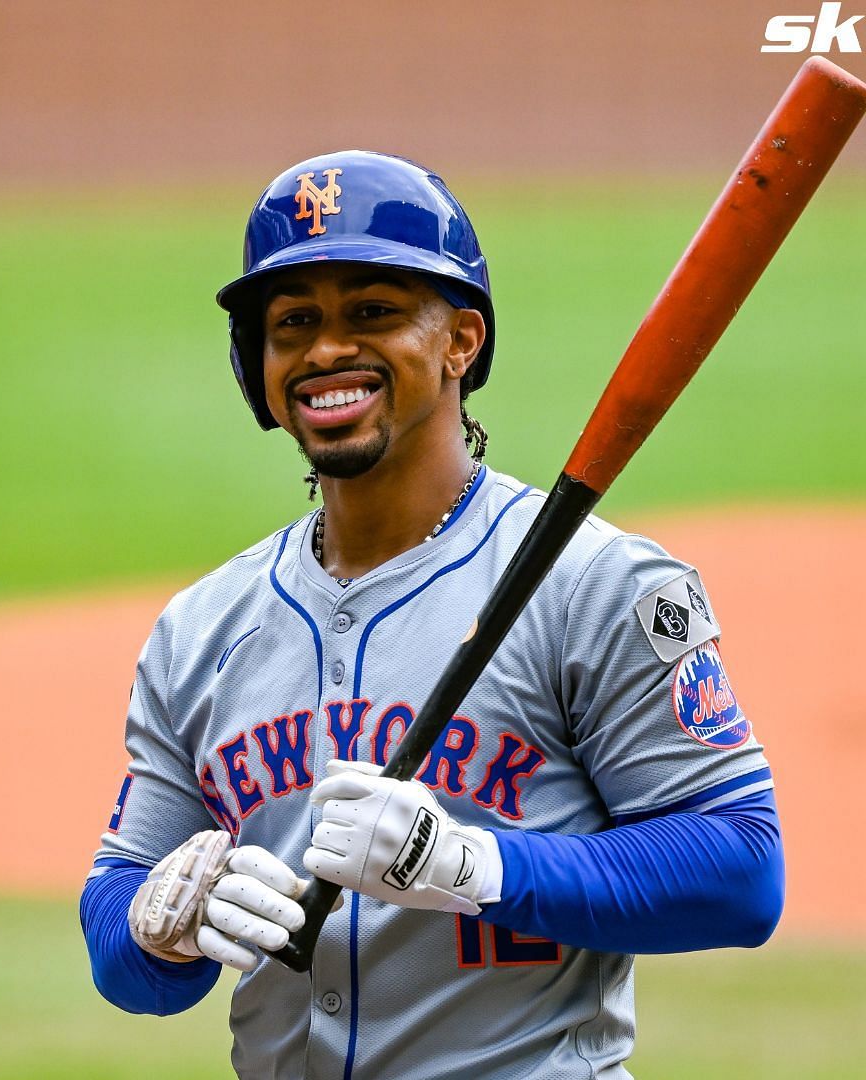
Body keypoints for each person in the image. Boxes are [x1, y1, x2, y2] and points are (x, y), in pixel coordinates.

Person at [79, 150, 783, 1078]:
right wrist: (156, 922)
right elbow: (130, 962)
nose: (327, 350)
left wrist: (476, 869)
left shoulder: (596, 582)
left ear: (460, 340)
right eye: (295, 323)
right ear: (258, 363)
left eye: (372, 312)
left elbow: (739, 872)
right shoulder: (200, 628)